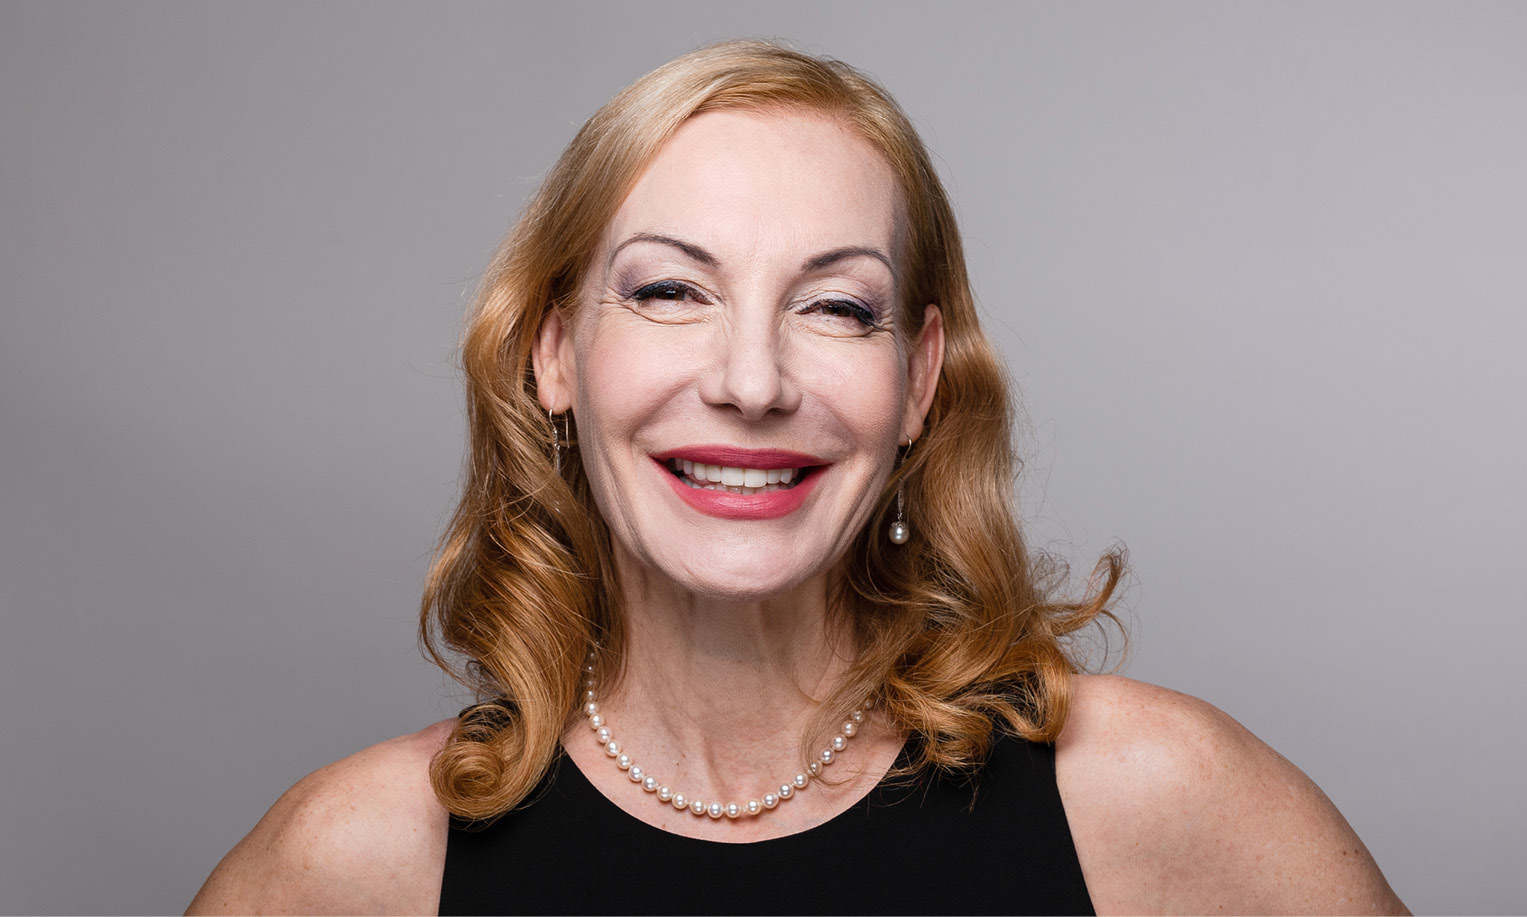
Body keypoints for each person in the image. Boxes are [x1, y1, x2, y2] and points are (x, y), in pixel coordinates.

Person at [187, 40, 1407, 915]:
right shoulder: (361, 859)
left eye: (835, 306)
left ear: (918, 379)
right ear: (554, 351)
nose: (753, 379)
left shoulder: (1154, 801)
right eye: (671, 290)